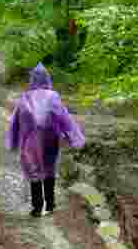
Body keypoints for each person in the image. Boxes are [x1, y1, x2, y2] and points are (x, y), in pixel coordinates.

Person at [6, 63, 86, 217]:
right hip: (51, 137)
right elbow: (64, 118)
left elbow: (15, 121)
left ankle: (37, 207)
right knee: (50, 169)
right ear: (47, 79)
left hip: (30, 140)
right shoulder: (53, 96)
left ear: (32, 79)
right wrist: (73, 137)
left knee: (33, 171)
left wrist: (13, 141)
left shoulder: (25, 97)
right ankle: (50, 204)